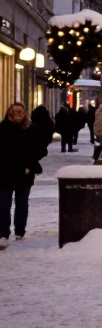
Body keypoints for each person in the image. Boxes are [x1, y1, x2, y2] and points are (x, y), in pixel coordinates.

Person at [0, 102, 47, 247]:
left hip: (24, 173)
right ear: (9, 114)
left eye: (21, 111)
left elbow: (42, 149)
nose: (19, 114)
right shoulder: (2, 130)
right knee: (3, 205)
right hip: (4, 174)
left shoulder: (32, 130)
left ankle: (20, 232)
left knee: (21, 204)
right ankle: (2, 234)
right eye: (16, 112)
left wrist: (30, 163)